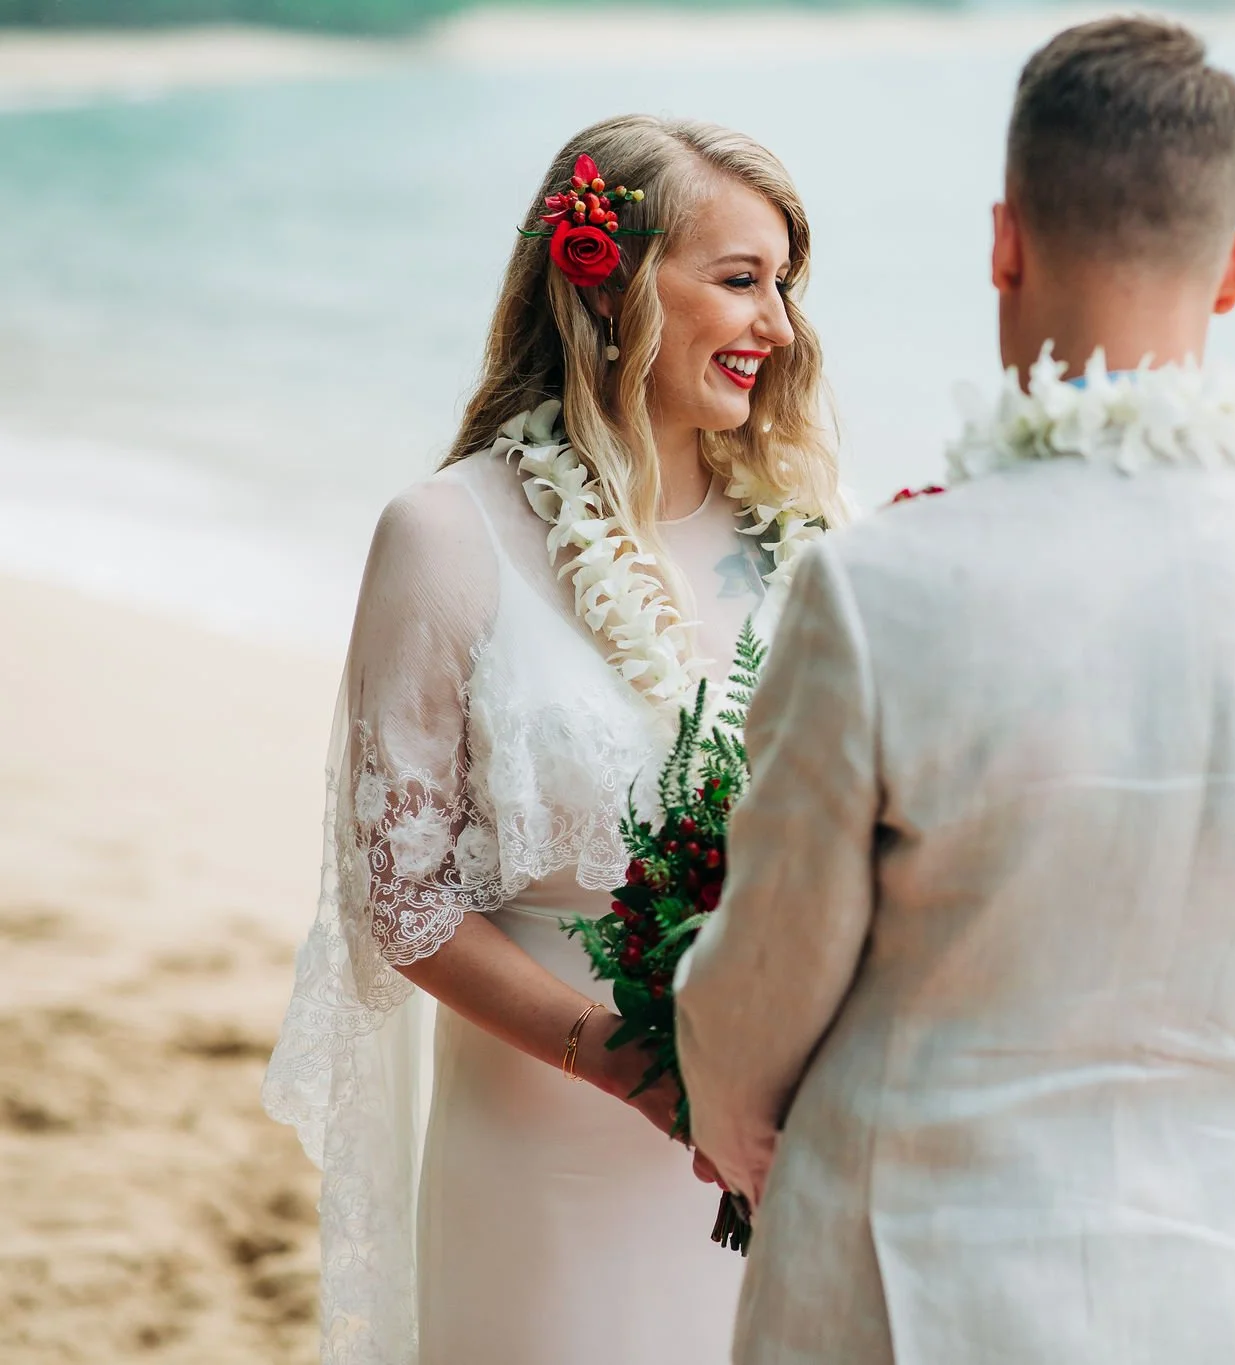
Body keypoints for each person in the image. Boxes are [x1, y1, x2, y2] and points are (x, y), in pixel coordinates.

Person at [672, 18, 1235, 1365]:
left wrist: (731, 1119)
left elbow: (755, 1011)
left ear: (1005, 241)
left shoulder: (880, 590)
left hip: (905, 1295)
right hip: (1233, 1308)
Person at [261, 115, 843, 1364]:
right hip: (543, 1169)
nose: (778, 327)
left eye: (784, 285)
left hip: (783, 1152)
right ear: (609, 280)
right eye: (740, 281)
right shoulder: (443, 535)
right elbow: (400, 897)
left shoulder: (804, 546)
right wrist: (630, 1064)